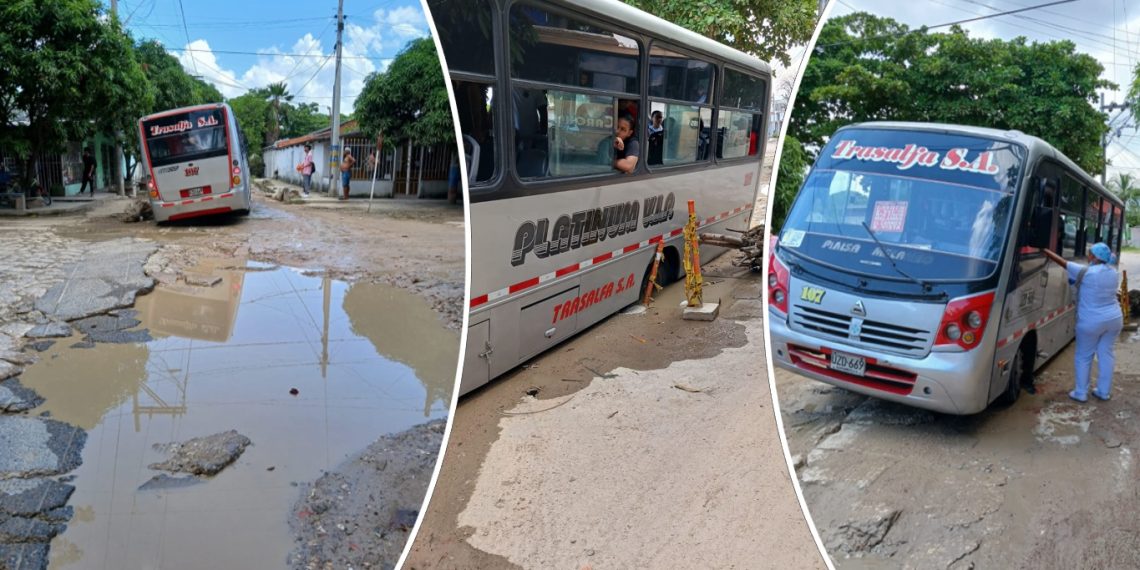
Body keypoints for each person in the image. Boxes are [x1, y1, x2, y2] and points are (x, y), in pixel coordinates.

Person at [1039, 242, 1123, 402]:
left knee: (1084, 356)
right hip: (1114, 319)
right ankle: (1103, 392)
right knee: (1106, 354)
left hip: (1091, 321)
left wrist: (1045, 250)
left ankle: (1081, 392)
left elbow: (1062, 262)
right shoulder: (1114, 272)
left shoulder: (1086, 272)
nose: (1087, 255)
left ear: (1095, 257)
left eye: (1090, 253)